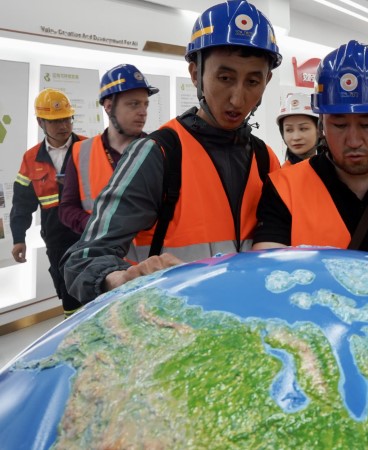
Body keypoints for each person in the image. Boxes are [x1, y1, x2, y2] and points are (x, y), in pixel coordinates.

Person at [62, 0, 282, 304]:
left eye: (253, 82)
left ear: (266, 81)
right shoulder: (157, 153)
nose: (237, 98)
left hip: (244, 318)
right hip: (171, 321)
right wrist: (120, 278)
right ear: (195, 74)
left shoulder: (265, 158)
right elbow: (84, 259)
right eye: (225, 78)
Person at [252, 40, 368, 262]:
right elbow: (266, 270)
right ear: (322, 122)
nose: (354, 141)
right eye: (339, 125)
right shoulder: (283, 189)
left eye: (367, 124)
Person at [10, 89, 85, 316]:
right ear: (40, 122)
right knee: (69, 297)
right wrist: (18, 238)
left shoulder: (89, 147)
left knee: (99, 290)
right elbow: (22, 203)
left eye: (67, 119)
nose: (63, 125)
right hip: (57, 241)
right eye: (55, 121)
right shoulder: (31, 158)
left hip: (90, 233)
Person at [59, 64, 158, 234]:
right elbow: (67, 208)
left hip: (151, 250)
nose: (143, 112)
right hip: (102, 250)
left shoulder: (158, 150)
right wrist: (96, 226)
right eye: (134, 104)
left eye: (145, 104)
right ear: (109, 106)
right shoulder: (81, 152)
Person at [277, 92, 319, 167]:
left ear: (319, 129)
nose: (296, 137)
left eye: (303, 129)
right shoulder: (281, 174)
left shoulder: (334, 169)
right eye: (289, 130)